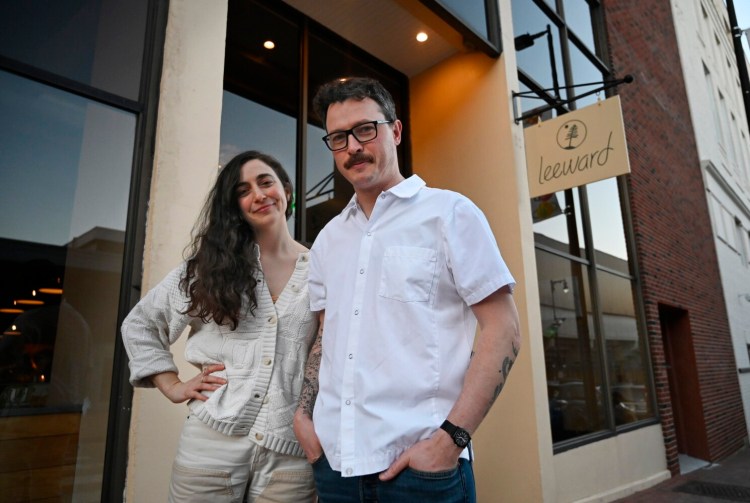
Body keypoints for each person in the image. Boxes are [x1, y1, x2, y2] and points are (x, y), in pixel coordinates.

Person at [294, 77, 521, 502]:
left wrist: (450, 440)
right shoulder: (327, 239)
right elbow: (326, 335)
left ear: (395, 131)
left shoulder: (450, 213)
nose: (353, 147)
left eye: (366, 129)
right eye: (339, 138)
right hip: (336, 468)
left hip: (422, 474)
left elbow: (503, 329)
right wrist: (304, 418)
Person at [121, 150, 317, 503]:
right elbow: (141, 324)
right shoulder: (208, 269)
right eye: (243, 190)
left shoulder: (322, 269)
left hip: (291, 452)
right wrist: (172, 385)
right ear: (234, 206)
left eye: (266, 182)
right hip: (210, 445)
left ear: (286, 190)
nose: (258, 195)